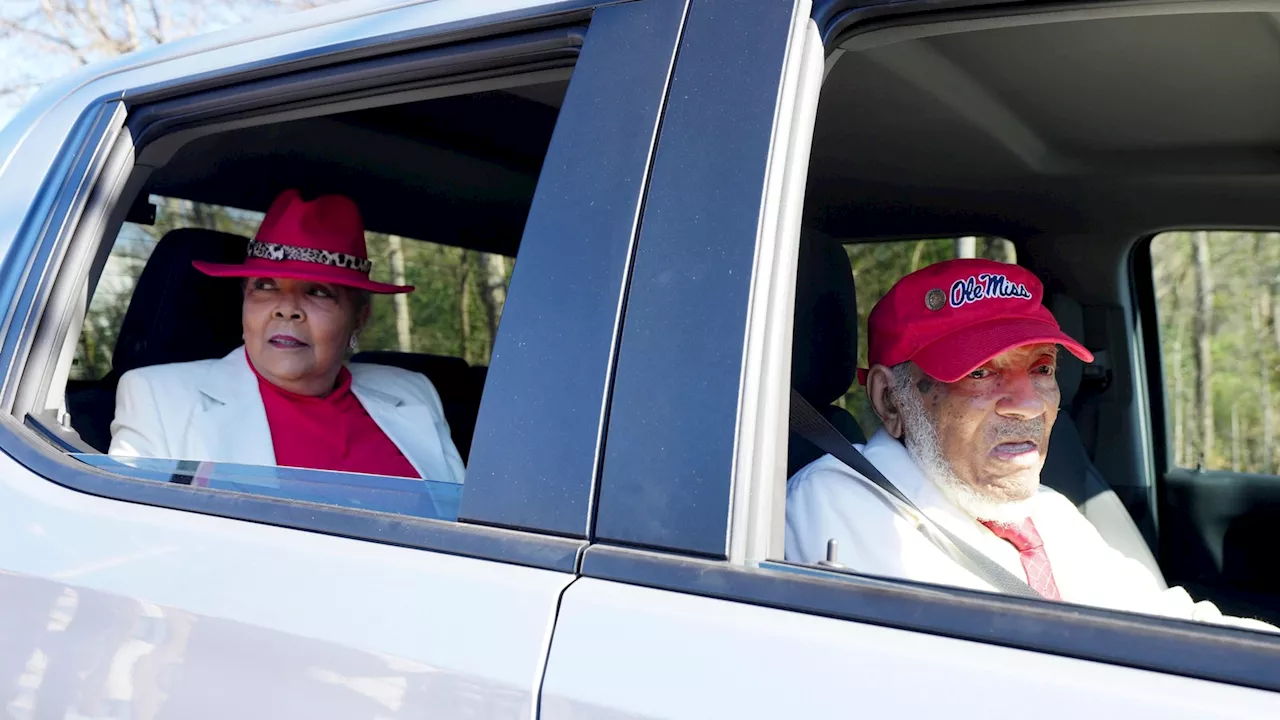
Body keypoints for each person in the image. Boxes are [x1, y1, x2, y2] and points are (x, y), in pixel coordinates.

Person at [787, 258, 1272, 630]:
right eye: (979, 372)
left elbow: (1167, 623)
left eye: (1041, 369)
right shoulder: (835, 515)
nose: (1028, 405)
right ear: (891, 401)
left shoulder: (1049, 513)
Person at [109, 189, 465, 484]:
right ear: (244, 303)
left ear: (359, 318)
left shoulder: (413, 391)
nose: (286, 309)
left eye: (319, 292)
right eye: (265, 287)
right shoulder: (158, 399)